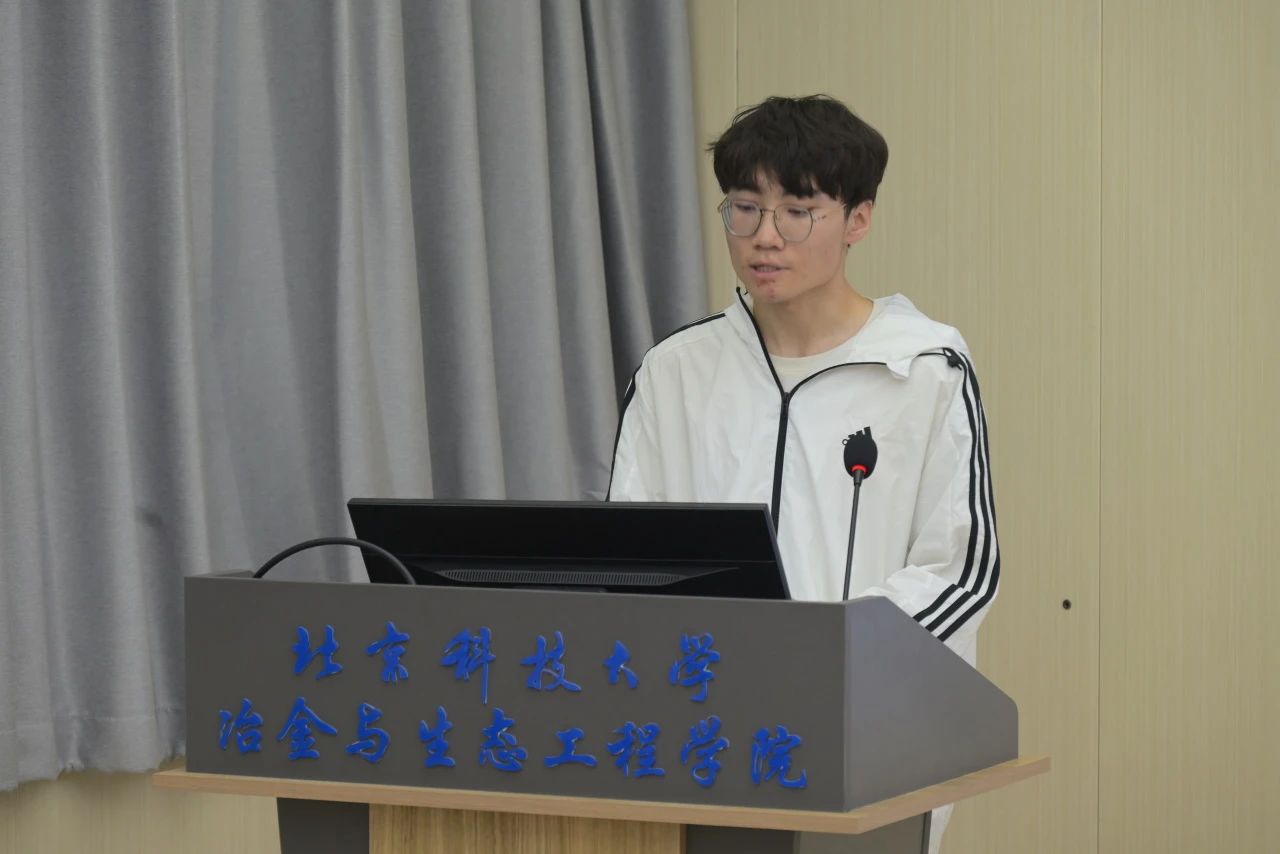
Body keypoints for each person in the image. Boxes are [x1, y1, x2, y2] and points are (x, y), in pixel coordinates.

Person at [607, 95, 999, 853]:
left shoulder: (924, 368)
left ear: (858, 220)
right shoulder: (674, 371)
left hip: (871, 727)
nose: (765, 236)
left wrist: (834, 656)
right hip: (704, 726)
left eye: (798, 211)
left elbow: (959, 569)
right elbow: (629, 554)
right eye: (745, 208)